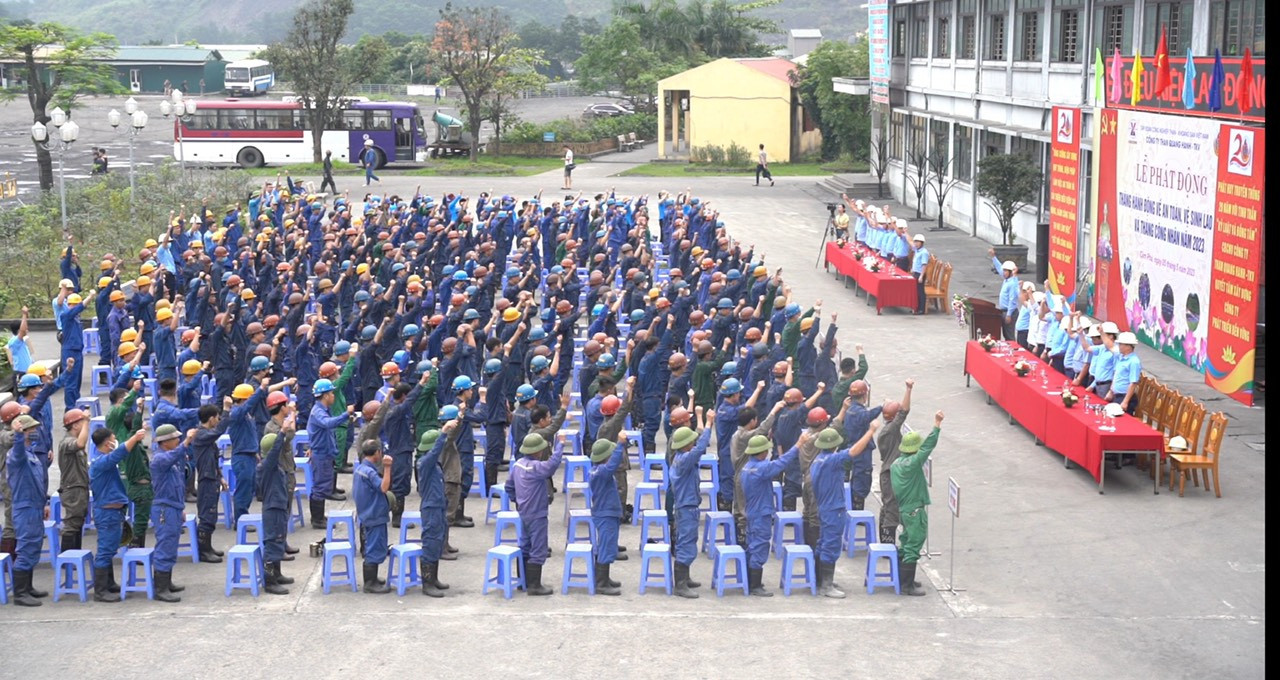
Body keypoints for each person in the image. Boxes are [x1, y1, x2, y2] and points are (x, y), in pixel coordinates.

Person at [809, 423, 881, 597]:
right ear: (834, 445)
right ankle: (826, 586)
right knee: (831, 545)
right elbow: (854, 451)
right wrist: (870, 431)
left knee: (823, 542)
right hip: (834, 509)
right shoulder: (832, 461)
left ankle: (820, 580)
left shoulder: (817, 461)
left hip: (824, 507)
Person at [738, 432, 802, 596]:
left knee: (752, 545)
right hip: (761, 513)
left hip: (752, 512)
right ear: (761, 452)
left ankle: (750, 580)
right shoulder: (761, 468)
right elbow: (782, 462)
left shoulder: (747, 468)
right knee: (759, 546)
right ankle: (755, 585)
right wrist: (798, 445)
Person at [89, 425, 148, 603]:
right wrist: (134, 438)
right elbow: (119, 453)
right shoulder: (101, 462)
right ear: (108, 444)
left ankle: (109, 583)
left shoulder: (103, 460)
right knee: (105, 551)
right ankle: (100, 591)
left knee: (110, 548)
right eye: (114, 439)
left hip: (113, 512)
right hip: (107, 513)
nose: (116, 442)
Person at [891, 410, 945, 597]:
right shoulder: (912, 464)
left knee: (906, 541)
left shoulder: (896, 464)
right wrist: (936, 425)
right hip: (914, 510)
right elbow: (927, 448)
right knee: (914, 543)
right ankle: (907, 585)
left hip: (904, 509)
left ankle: (903, 578)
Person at [510, 432, 564, 596]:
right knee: (538, 547)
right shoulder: (536, 468)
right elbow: (552, 465)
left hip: (524, 512)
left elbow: (509, 487)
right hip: (537, 514)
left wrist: (518, 501)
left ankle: (523, 581)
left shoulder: (518, 465)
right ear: (537, 451)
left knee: (525, 545)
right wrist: (560, 445)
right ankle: (534, 585)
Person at [669, 407, 713, 599]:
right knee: (686, 542)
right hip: (686, 507)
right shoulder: (685, 459)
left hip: (686, 505)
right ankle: (680, 584)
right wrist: (709, 423)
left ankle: (684, 578)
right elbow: (701, 448)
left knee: (687, 541)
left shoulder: (680, 459)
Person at [6, 415, 49, 607]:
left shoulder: (31, 454)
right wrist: (17, 435)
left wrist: (44, 503)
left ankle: (28, 586)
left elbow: (38, 482)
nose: (34, 432)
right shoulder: (17, 456)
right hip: (24, 508)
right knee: (25, 548)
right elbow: (18, 452)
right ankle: (20, 593)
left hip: (35, 506)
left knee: (34, 547)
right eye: (30, 430)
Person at [148, 423, 192, 602]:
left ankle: (166, 582)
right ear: (165, 442)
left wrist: (180, 508)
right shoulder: (160, 459)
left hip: (172, 507)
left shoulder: (169, 460)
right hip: (164, 509)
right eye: (175, 438)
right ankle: (160, 588)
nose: (178, 440)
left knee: (171, 545)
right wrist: (187, 442)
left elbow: (178, 486)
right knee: (165, 545)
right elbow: (175, 454)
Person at [307, 378, 355, 529]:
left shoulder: (324, 410)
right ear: (325, 395)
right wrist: (345, 414)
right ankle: (317, 519)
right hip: (320, 455)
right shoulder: (318, 412)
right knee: (320, 487)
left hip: (325, 453)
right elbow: (328, 424)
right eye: (331, 393)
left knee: (323, 484)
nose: (333, 396)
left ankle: (319, 516)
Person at [415, 423, 455, 597]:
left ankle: (434, 579)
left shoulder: (433, 464)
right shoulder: (425, 462)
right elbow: (435, 452)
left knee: (437, 541)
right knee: (430, 542)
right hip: (431, 508)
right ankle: (427, 583)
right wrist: (444, 433)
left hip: (438, 506)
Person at [353, 436, 394, 593]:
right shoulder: (369, 472)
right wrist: (388, 467)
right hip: (374, 515)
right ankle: (370, 583)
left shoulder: (360, 469)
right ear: (377, 452)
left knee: (373, 546)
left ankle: (373, 578)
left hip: (366, 513)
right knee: (374, 548)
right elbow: (383, 488)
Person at [587, 435, 628, 595]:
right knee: (605, 546)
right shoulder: (602, 471)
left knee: (609, 545)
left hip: (607, 513)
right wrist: (619, 445)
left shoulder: (597, 470)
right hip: (605, 514)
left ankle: (604, 577)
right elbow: (612, 465)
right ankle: (601, 583)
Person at [875, 379, 914, 544]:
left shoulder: (885, 431)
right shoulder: (891, 430)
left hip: (887, 472)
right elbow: (904, 411)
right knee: (891, 509)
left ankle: (885, 543)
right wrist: (908, 389)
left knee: (887, 506)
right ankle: (887, 545)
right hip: (891, 474)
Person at [191, 403, 229, 562]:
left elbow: (213, 459)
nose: (218, 421)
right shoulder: (200, 435)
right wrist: (227, 410)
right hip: (206, 480)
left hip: (212, 477)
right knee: (207, 514)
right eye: (217, 418)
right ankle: (203, 550)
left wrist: (220, 476)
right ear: (211, 418)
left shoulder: (206, 435)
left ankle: (208, 546)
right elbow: (219, 431)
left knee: (212, 513)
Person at [57, 409, 92, 551]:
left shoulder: (72, 441)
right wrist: (86, 422)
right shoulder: (67, 443)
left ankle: (75, 555)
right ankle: (68, 558)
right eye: (81, 423)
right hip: (72, 489)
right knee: (72, 524)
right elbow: (81, 443)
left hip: (79, 487)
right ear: (75, 425)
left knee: (77, 522)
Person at [1108, 332, 1142, 416]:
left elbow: (1133, 383)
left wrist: (1125, 402)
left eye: (1120, 344)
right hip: (1117, 395)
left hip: (1124, 397)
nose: (1119, 346)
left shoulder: (1134, 362)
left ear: (1128, 346)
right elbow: (1116, 375)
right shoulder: (1121, 357)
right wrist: (1111, 391)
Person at [5, 307, 32, 395]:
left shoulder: (22, 341)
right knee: (22, 398)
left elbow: (24, 329)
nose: (27, 329)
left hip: (26, 372)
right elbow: (23, 330)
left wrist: (26, 316)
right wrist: (24, 315)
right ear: (18, 330)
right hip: (20, 374)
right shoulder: (15, 341)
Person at [998, 260, 1020, 341]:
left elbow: (1012, 300)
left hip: (1009, 312)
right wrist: (994, 258)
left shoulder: (1012, 283)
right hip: (1004, 311)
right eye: (1003, 270)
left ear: (1011, 272)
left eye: (1006, 271)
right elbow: (999, 269)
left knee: (1009, 336)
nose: (1003, 273)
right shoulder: (1007, 280)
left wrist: (1009, 314)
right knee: (1006, 335)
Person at [910, 234, 930, 314]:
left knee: (920, 291)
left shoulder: (924, 252)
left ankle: (921, 309)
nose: (916, 243)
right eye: (915, 242)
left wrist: (921, 276)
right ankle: (916, 307)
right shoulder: (917, 250)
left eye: (918, 242)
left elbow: (924, 265)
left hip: (920, 274)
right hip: (915, 272)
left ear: (922, 243)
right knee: (916, 291)